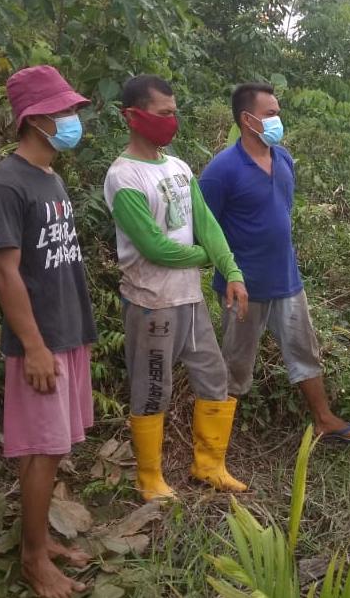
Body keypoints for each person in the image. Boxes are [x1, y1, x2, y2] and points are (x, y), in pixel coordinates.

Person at [103, 75, 249, 502]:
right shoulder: (124, 176)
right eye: (163, 113)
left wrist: (232, 270)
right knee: (152, 387)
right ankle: (149, 478)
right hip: (151, 303)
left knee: (214, 375)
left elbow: (206, 224)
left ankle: (209, 465)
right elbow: (155, 248)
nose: (172, 120)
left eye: (174, 111)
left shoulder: (179, 167)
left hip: (189, 298)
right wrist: (206, 258)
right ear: (133, 116)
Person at [0, 65, 95, 598]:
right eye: (65, 111)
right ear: (37, 118)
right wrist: (33, 346)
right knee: (44, 449)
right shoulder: (5, 184)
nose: (73, 119)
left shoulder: (51, 177)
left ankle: (40, 540)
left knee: (49, 447)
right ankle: (32, 559)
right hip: (40, 341)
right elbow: (6, 271)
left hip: (66, 331)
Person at [198, 83, 350, 443]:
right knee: (235, 363)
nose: (278, 119)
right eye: (271, 113)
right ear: (247, 119)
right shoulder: (221, 170)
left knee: (304, 350)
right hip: (242, 286)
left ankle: (323, 418)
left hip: (286, 279)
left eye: (278, 112)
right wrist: (229, 272)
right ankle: (215, 443)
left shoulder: (283, 158)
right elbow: (205, 228)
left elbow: (281, 212)